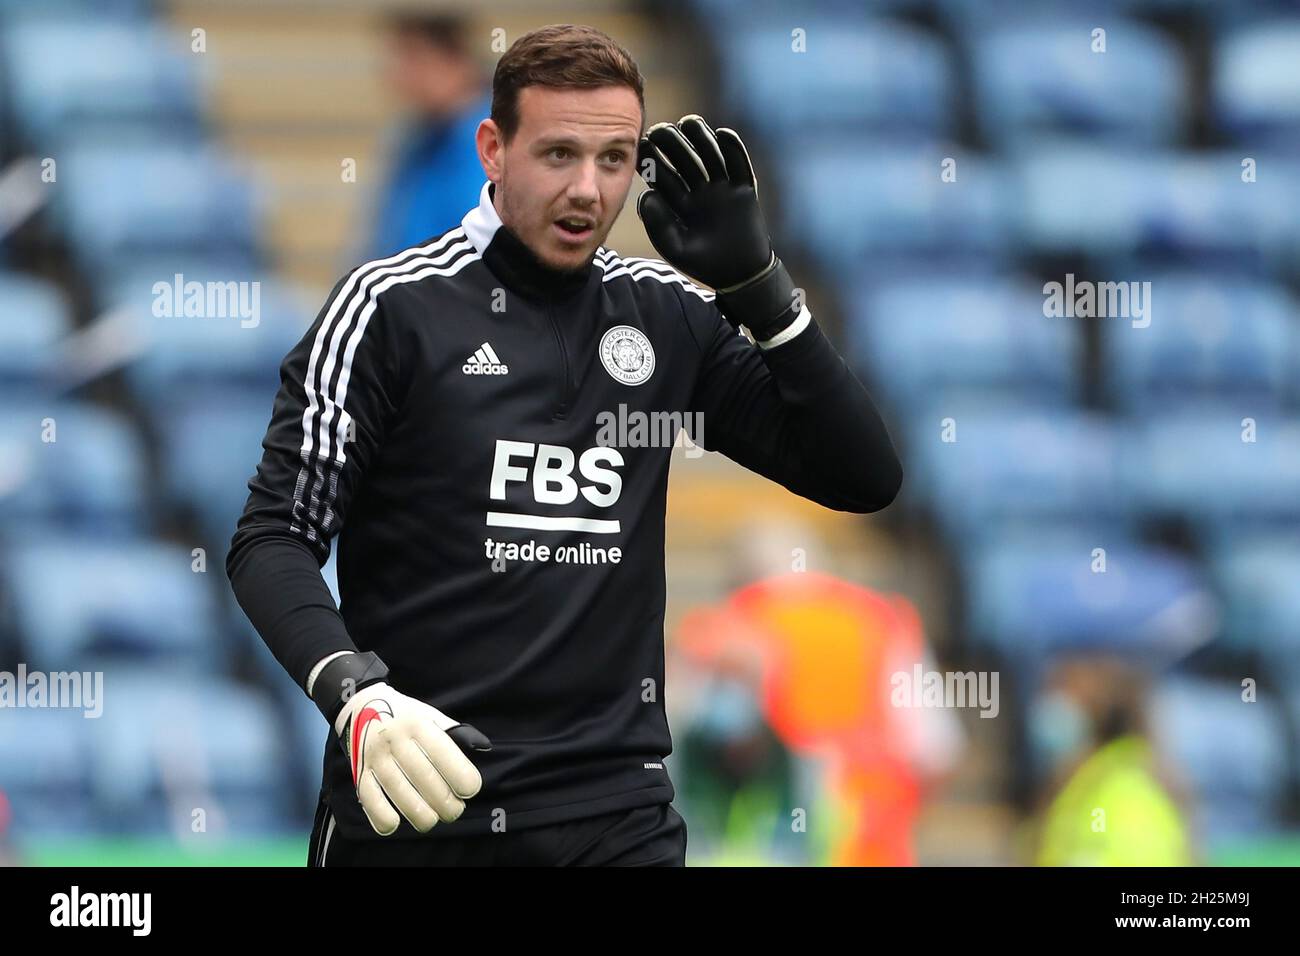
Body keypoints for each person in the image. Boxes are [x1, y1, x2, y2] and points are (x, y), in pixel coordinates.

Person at [227, 23, 902, 867]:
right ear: (492, 149)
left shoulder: (664, 315)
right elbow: (271, 539)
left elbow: (863, 474)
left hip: (617, 819)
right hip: (424, 799)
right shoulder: (391, 310)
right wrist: (356, 696)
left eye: (614, 159)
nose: (588, 190)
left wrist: (759, 288)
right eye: (558, 156)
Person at [365, 13, 491, 259]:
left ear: (456, 61)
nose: (400, 76)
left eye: (413, 59)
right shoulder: (414, 139)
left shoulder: (495, 139)